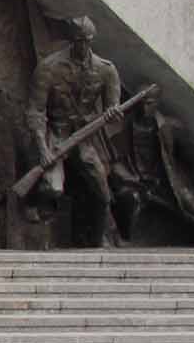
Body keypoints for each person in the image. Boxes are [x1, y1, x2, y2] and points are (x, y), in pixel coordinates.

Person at [27, 15, 123, 248]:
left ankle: (99, 239)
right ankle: (37, 211)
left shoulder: (106, 70)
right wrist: (43, 149)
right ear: (72, 40)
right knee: (52, 188)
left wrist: (112, 113)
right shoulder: (49, 67)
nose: (84, 45)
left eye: (88, 40)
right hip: (56, 133)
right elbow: (35, 112)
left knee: (102, 191)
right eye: (80, 40)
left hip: (85, 137)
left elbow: (113, 110)